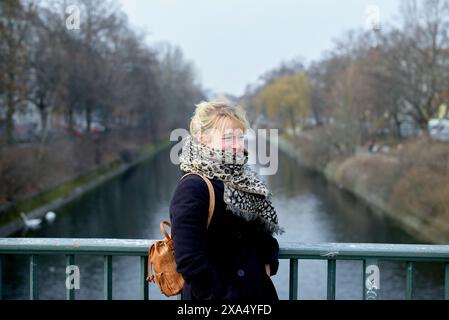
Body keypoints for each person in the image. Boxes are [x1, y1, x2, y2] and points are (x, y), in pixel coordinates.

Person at [169, 100, 284, 300]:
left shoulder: (241, 179)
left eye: (240, 138)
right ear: (202, 139)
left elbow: (256, 229)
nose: (238, 146)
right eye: (228, 138)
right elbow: (189, 259)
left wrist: (268, 256)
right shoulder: (193, 187)